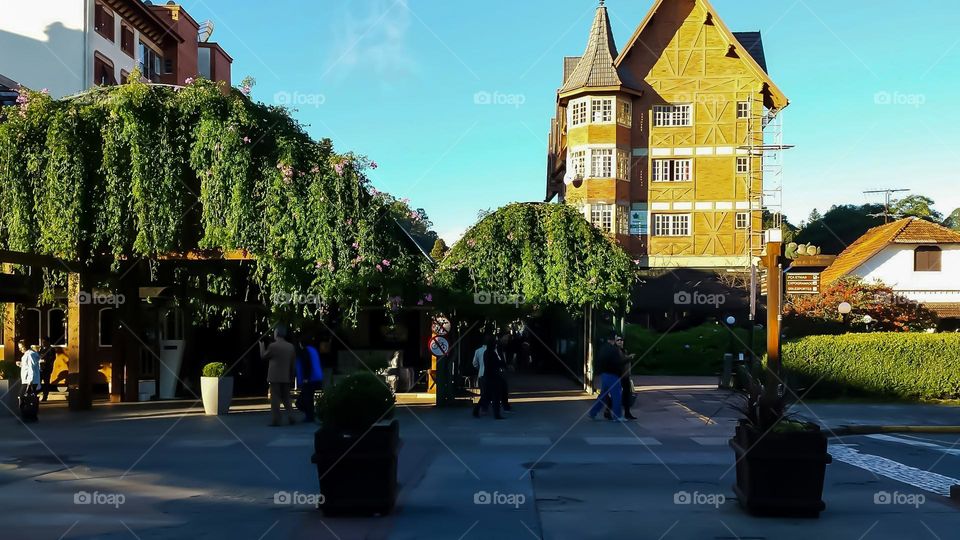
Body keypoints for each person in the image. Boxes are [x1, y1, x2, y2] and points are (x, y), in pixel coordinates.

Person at [259, 326, 297, 426]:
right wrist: (292, 376)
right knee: (286, 398)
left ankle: (276, 420)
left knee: (275, 399)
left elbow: (263, 356)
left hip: (274, 376)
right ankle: (291, 416)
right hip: (286, 376)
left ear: (277, 334)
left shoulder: (273, 346)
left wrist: (261, 346)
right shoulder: (290, 347)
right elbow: (293, 364)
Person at [589, 333, 627, 422]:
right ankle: (617, 416)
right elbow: (618, 363)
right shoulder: (613, 350)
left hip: (604, 374)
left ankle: (593, 412)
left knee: (603, 396)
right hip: (613, 375)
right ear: (613, 339)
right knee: (617, 395)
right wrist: (628, 359)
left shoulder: (603, 348)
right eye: (616, 338)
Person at [605, 336, 637, 420]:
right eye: (618, 340)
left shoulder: (624, 351)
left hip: (625, 376)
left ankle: (627, 413)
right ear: (615, 342)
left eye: (621, 340)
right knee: (615, 395)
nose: (620, 341)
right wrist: (629, 358)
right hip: (618, 376)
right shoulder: (615, 351)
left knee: (627, 394)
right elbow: (620, 362)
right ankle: (608, 411)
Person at [474, 335, 506, 419]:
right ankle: (497, 414)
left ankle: (476, 410)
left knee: (486, 395)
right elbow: (497, 363)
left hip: (486, 376)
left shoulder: (485, 352)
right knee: (496, 396)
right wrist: (502, 363)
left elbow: (476, 363)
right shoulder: (492, 353)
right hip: (493, 377)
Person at [295, 338, 323, 423]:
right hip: (316, 378)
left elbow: (306, 365)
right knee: (308, 399)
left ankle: (310, 416)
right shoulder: (313, 350)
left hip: (309, 379)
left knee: (304, 400)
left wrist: (305, 378)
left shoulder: (305, 351)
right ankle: (310, 415)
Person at [16, 340, 41, 421]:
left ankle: (25, 414)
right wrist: (21, 364)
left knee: (22, 396)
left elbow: (31, 368)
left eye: (21, 347)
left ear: (25, 346)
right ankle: (31, 415)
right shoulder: (30, 354)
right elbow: (29, 366)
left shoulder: (29, 355)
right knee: (31, 398)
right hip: (31, 380)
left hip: (29, 380)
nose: (20, 349)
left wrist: (30, 381)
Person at [471, 335, 488, 417]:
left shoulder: (478, 351)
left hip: (481, 374)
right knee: (488, 393)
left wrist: (480, 368)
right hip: (489, 374)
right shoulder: (493, 351)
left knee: (483, 392)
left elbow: (474, 363)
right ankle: (480, 408)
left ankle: (483, 408)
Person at [38, 337, 55, 402]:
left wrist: (45, 360)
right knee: (38, 381)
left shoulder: (51, 349)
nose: (43, 343)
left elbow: (52, 358)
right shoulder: (41, 349)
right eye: (42, 342)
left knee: (46, 383)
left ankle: (45, 396)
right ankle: (36, 394)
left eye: (44, 342)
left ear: (48, 342)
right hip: (41, 368)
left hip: (47, 368)